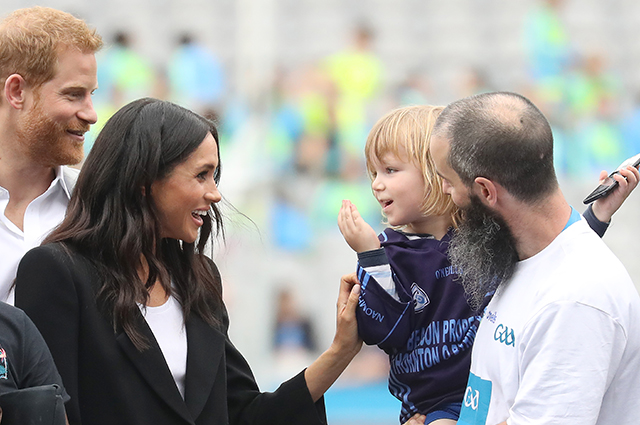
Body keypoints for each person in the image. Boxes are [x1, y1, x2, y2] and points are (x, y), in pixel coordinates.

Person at [14, 98, 362, 425]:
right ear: (144, 181)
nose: (215, 193)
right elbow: (52, 413)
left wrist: (341, 350)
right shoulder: (55, 272)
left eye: (215, 176)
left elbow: (246, 414)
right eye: (201, 175)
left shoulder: (199, 279)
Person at [338, 105, 638, 425]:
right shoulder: (395, 251)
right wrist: (371, 258)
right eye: (374, 174)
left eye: (390, 171)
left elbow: (551, 263)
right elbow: (381, 332)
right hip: (434, 403)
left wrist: (597, 216)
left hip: (478, 400)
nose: (376, 185)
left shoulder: (487, 243)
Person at [426, 91, 640, 425]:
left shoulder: (575, 299)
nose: (445, 194)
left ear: (485, 191)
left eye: (447, 181)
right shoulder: (522, 260)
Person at [0, 6, 102, 304]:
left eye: (91, 94)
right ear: (17, 91)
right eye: (73, 94)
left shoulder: (101, 209)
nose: (91, 114)